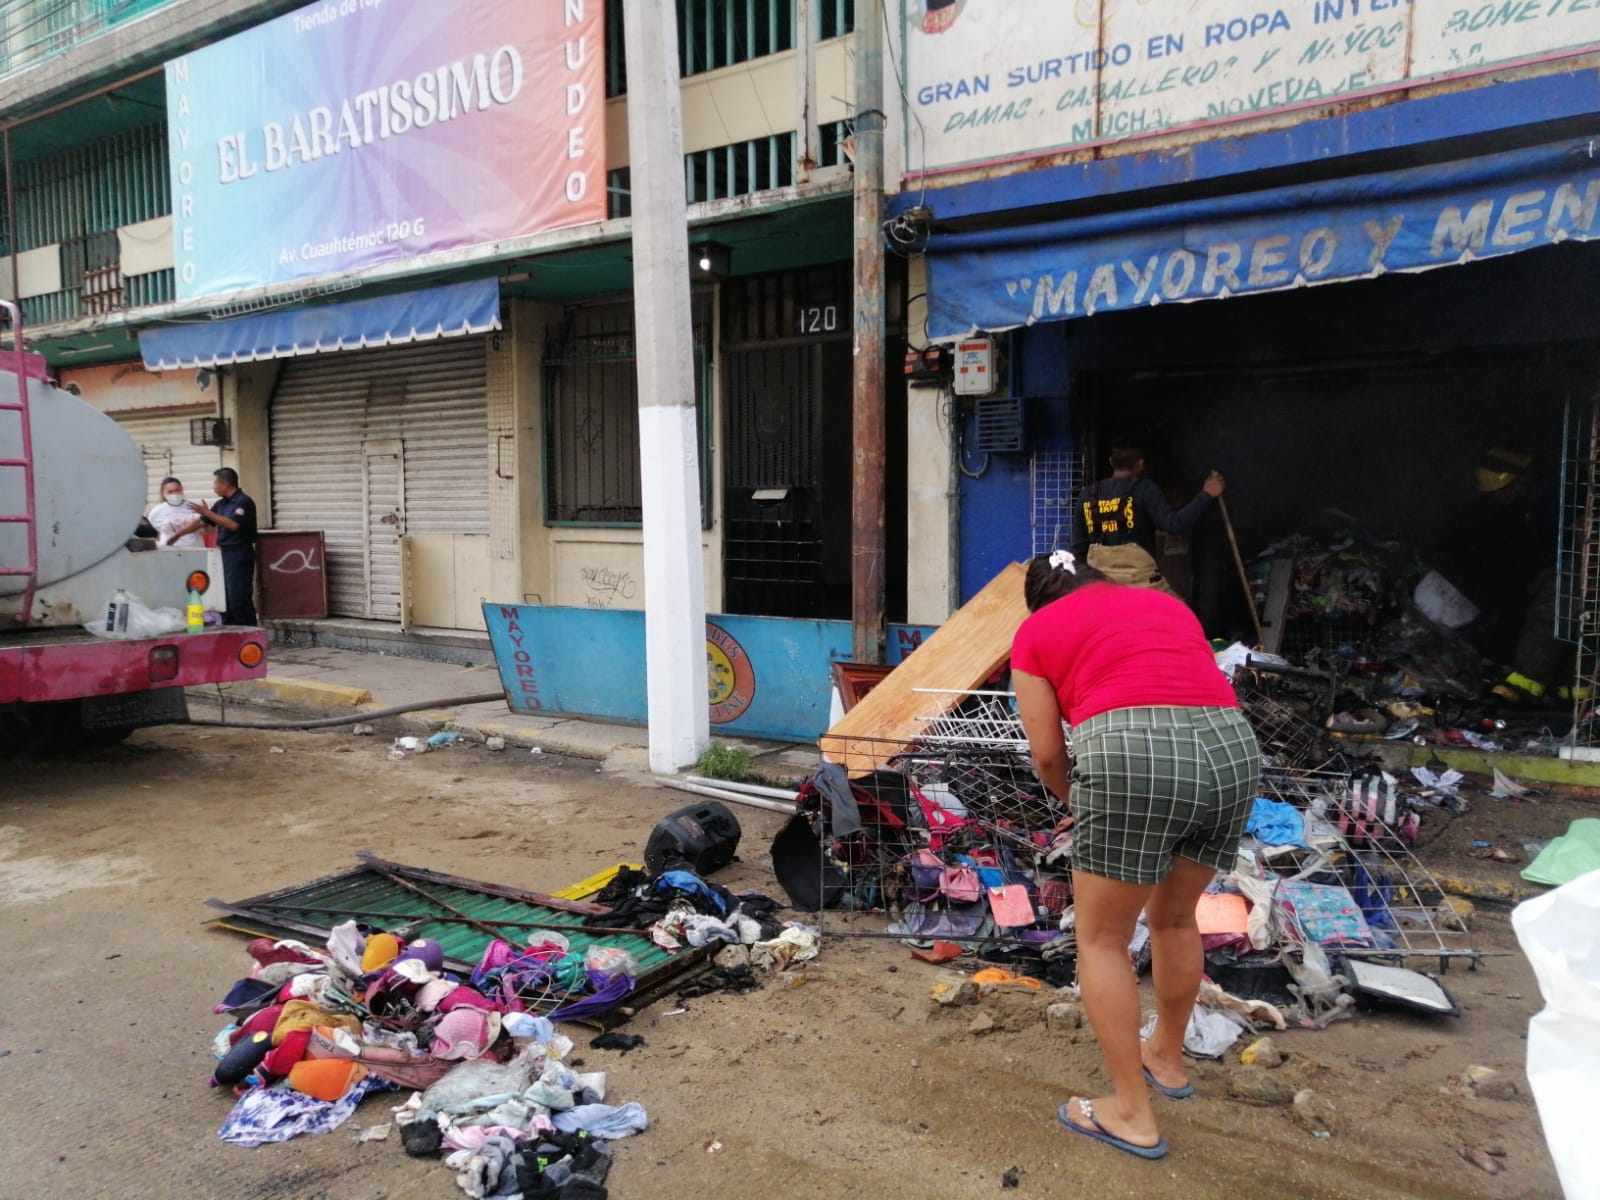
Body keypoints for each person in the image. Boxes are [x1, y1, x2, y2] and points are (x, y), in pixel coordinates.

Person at [1010, 550, 1259, 1160]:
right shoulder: (1166, 606)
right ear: (1099, 580)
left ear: (1040, 599)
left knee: (1102, 940)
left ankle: (1130, 1112)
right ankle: (1166, 1058)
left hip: (1131, 753)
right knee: (1174, 918)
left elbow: (1047, 755)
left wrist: (1081, 799)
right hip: (1232, 752)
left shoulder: (1036, 631)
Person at [1069, 442, 1225, 594]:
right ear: (1140, 464)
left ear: (1111, 462)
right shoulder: (1145, 489)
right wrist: (1207, 494)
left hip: (1100, 586)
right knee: (1177, 608)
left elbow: (1077, 550)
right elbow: (1174, 525)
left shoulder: (1087, 495)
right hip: (1141, 587)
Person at [181, 467, 259, 625]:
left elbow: (233, 525)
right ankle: (231, 630)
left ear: (225, 484)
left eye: (216, 483)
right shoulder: (221, 504)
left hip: (240, 553)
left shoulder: (243, 502)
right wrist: (177, 535)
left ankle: (249, 632)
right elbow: (202, 521)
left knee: (238, 597)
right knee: (225, 598)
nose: (214, 487)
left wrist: (208, 513)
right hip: (224, 553)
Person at [143, 477, 208, 549]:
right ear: (163, 494)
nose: (175, 494)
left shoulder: (195, 507)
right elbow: (156, 534)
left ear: (182, 489)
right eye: (170, 492)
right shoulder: (155, 512)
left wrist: (207, 515)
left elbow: (209, 531)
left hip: (196, 550)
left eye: (177, 490)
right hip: (169, 551)